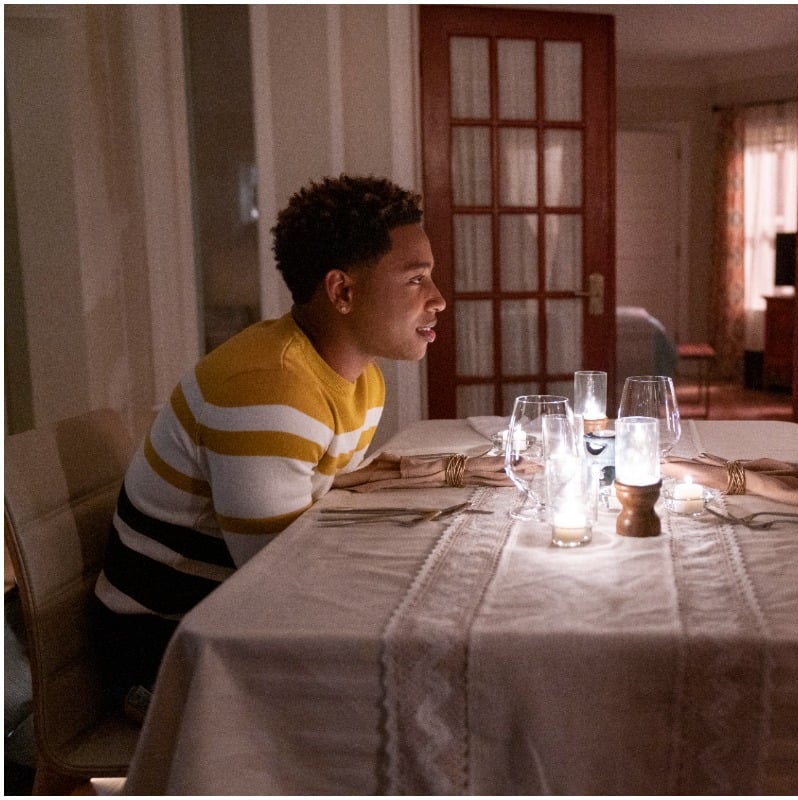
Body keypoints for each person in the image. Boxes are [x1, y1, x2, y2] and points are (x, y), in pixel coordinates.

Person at [94, 174, 510, 717]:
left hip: (227, 619)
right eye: (416, 279)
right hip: (167, 648)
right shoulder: (270, 387)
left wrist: (464, 470)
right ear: (342, 291)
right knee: (440, 691)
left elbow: (340, 491)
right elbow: (279, 578)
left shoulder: (357, 377)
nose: (439, 299)